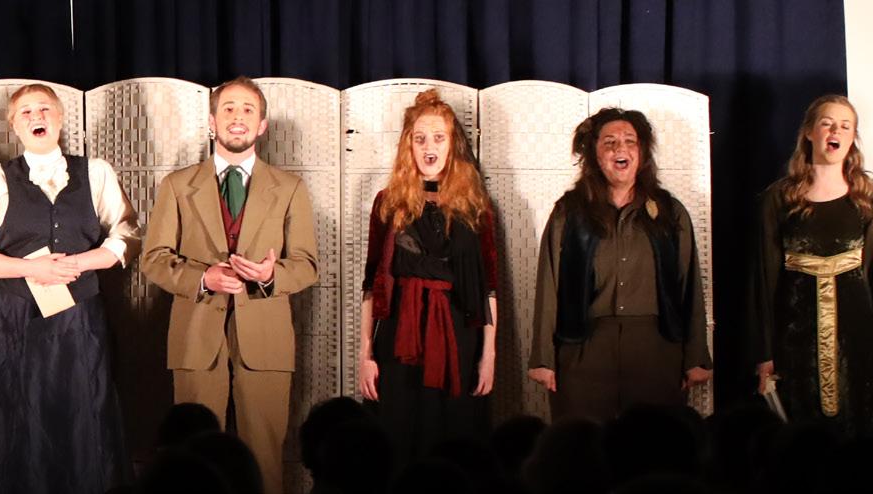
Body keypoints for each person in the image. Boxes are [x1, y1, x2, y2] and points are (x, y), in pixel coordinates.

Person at [136, 76, 315, 494]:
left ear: (262, 125)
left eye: (248, 110)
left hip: (266, 340)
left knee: (265, 458)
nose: (238, 117)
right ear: (212, 122)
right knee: (192, 459)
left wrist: (270, 276)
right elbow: (153, 260)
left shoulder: (290, 188)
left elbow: (306, 265)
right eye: (229, 109)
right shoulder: (177, 185)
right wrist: (202, 278)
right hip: (196, 337)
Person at [0, 83, 132, 494]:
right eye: (26, 112)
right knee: (14, 416)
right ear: (13, 125)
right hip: (14, 320)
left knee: (82, 413)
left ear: (60, 117)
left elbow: (128, 235)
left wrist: (80, 263)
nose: (36, 117)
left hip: (80, 321)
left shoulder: (96, 173)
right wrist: (29, 268)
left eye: (44, 109)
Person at [526, 107, 710, 422]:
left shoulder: (670, 212)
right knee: (585, 443)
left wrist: (695, 356)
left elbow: (689, 286)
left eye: (630, 141)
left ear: (642, 152)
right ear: (594, 154)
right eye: (609, 142)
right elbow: (549, 285)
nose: (620, 149)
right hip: (583, 350)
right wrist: (543, 359)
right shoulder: (569, 213)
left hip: (656, 352)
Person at [351, 90, 501, 458]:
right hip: (399, 337)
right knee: (398, 437)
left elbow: (489, 287)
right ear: (408, 145)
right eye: (419, 138)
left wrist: (489, 354)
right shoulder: (388, 201)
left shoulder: (476, 205)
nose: (429, 147)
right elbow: (371, 284)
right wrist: (365, 354)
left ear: (452, 145)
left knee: (454, 440)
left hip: (458, 336)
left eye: (438, 137)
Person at [752, 95, 873, 431]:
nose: (836, 131)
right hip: (795, 337)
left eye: (845, 126)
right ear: (809, 132)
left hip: (855, 333)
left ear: (852, 138)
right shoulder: (779, 198)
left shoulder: (866, 195)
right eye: (827, 123)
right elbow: (763, 279)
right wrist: (764, 352)